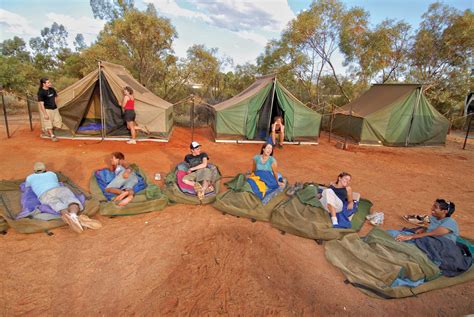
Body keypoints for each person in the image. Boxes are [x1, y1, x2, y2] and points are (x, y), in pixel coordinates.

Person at [25, 162, 101, 233]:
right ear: (45, 169)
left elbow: (27, 186)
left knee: (57, 205)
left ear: (34, 170)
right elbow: (56, 181)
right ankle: (74, 215)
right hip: (59, 189)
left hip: (44, 194)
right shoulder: (51, 174)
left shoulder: (29, 177)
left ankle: (68, 217)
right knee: (71, 200)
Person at [390, 199, 459, 243]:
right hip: (427, 240)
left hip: (439, 246)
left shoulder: (450, 222)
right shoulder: (435, 218)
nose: (432, 208)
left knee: (393, 235)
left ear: (444, 211)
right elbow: (431, 230)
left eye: (435, 207)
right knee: (391, 233)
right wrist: (424, 228)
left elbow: (432, 233)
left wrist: (411, 236)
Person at [37, 78, 63, 142]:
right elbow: (41, 104)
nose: (50, 83)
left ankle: (47, 130)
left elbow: (56, 97)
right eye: (48, 82)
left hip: (55, 108)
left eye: (49, 82)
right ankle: (52, 136)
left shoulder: (52, 89)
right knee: (48, 123)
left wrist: (54, 103)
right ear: (44, 84)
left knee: (59, 123)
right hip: (47, 110)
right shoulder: (41, 92)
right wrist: (45, 114)